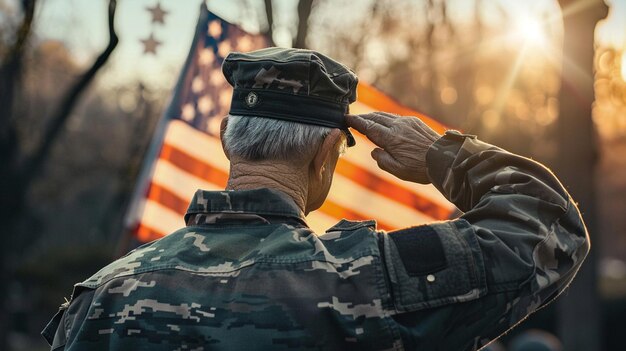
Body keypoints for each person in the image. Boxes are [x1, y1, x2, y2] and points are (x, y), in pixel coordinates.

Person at [42, 47, 589, 350]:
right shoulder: (366, 281)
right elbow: (548, 223)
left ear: (228, 140)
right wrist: (440, 156)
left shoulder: (102, 298)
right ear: (328, 152)